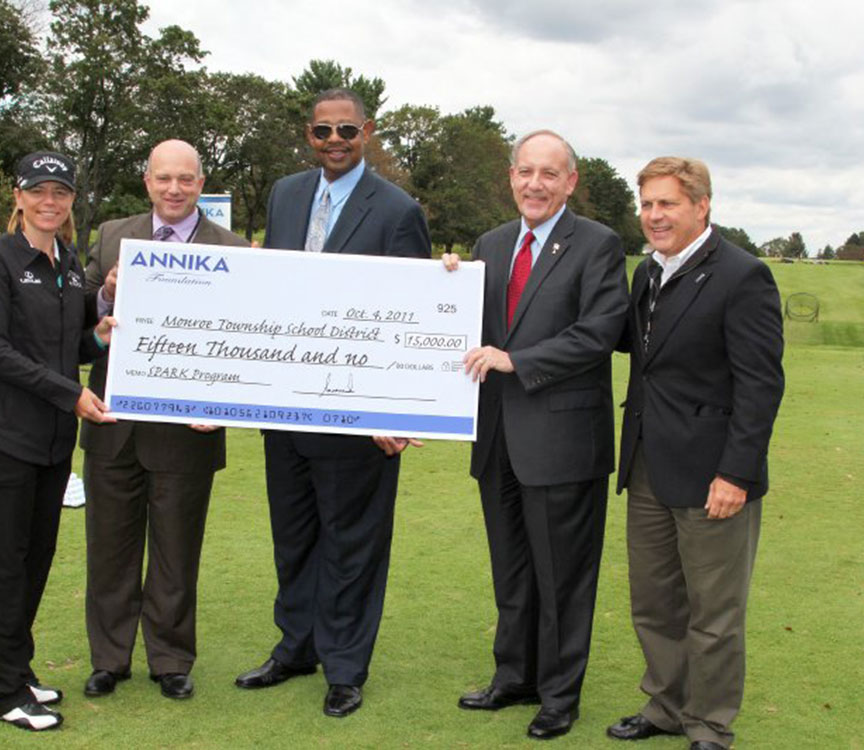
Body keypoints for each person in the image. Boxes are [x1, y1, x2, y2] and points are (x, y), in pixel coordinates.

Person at [234, 88, 431, 718]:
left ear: (366, 133)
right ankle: (296, 649)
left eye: (347, 130)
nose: (335, 141)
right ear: (309, 135)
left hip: (356, 416)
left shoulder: (398, 210)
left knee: (351, 546)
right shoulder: (286, 195)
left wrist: (395, 412)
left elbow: (412, 316)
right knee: (293, 539)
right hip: (284, 411)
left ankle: (344, 668)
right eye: (323, 131)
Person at [442, 129, 628, 740]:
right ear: (511, 177)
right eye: (525, 171)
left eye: (549, 173)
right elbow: (465, 324)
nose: (535, 184)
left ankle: (558, 696)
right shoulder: (491, 244)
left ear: (570, 182)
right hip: (496, 438)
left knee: (563, 579)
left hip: (563, 442)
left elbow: (599, 332)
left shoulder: (598, 244)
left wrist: (517, 361)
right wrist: (445, 284)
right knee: (512, 571)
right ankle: (514, 676)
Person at [605, 157, 784, 750]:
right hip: (647, 467)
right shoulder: (646, 272)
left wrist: (736, 473)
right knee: (655, 604)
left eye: (667, 203)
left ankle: (709, 725)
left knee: (714, 613)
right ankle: (665, 707)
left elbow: (760, 386)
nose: (654, 216)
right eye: (647, 204)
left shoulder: (743, 275)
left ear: (702, 206)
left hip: (714, 476)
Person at [80, 139, 247, 702]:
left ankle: (171, 660)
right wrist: (105, 297)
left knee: (177, 553)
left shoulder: (233, 248)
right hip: (113, 421)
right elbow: (80, 315)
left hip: (188, 429)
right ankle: (109, 659)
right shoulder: (112, 236)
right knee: (109, 550)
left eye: (185, 179)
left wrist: (224, 403)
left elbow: (247, 334)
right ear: (147, 181)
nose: (174, 189)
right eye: (164, 178)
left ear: (201, 183)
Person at [0, 150, 116, 732]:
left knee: (33, 562)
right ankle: (2, 691)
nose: (50, 201)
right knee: (2, 567)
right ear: (18, 197)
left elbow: (67, 348)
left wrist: (99, 337)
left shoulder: (67, 264)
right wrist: (69, 394)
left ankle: (17, 671)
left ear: (72, 201)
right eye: (38, 191)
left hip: (50, 443)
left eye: (61, 192)